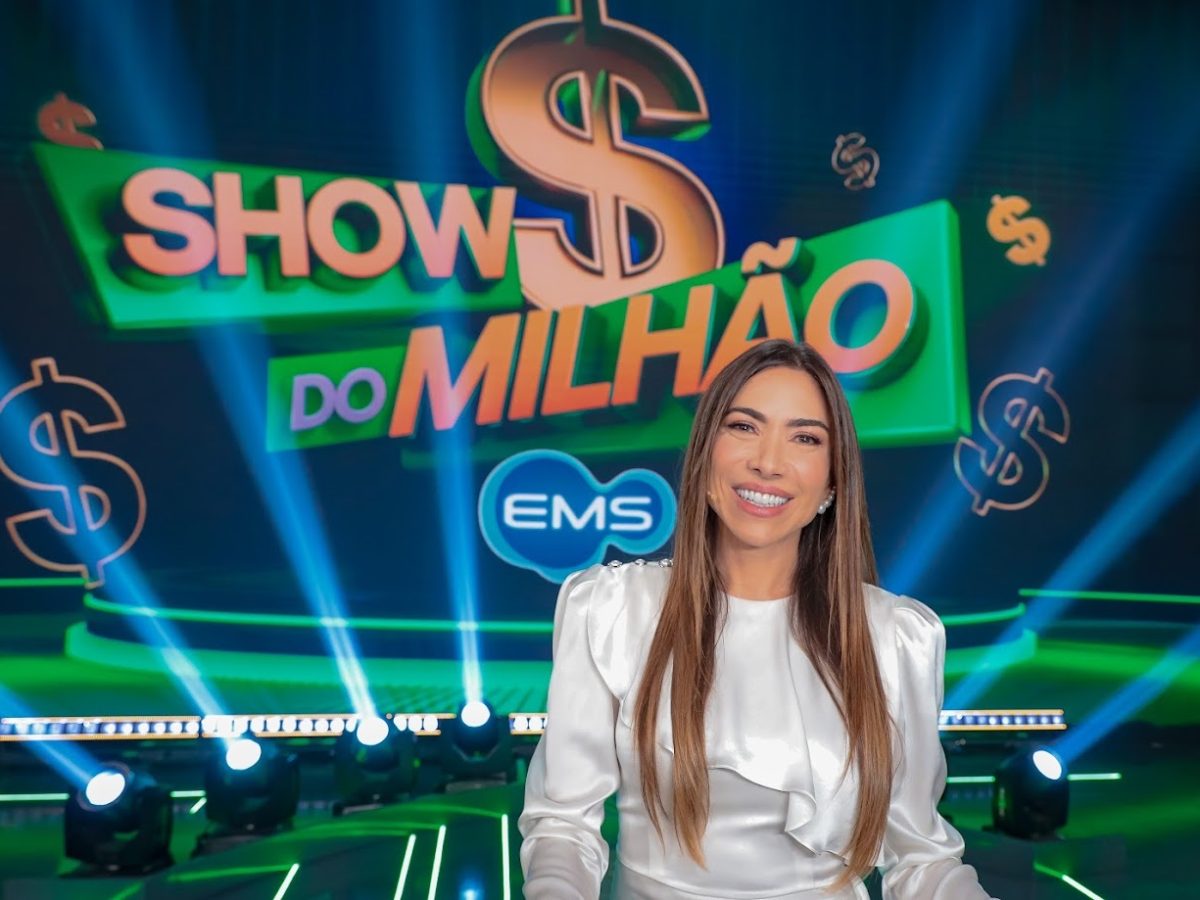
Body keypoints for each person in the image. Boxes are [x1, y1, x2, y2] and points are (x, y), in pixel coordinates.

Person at [518, 339, 995, 899]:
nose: (768, 462)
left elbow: (921, 860)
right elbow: (563, 828)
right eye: (744, 427)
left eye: (805, 438)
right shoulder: (611, 609)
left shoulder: (895, 637)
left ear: (833, 480)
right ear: (705, 453)